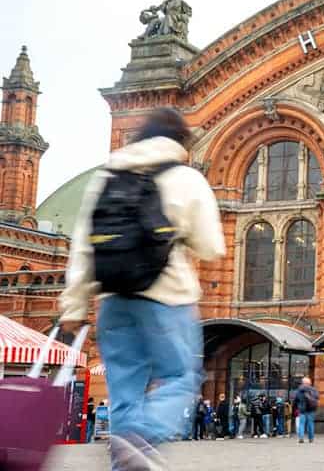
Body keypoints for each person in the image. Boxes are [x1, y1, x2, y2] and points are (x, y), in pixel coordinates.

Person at [58, 107, 225, 469]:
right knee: (181, 377)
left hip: (113, 300)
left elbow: (83, 247)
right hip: (167, 297)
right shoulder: (185, 177)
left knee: (124, 394)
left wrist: (73, 307)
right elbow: (211, 246)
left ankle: (125, 459)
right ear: (180, 141)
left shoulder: (107, 175)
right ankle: (142, 438)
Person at [294, 377, 319, 444]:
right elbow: (317, 397)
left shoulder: (299, 390)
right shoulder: (314, 390)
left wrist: (296, 407)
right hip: (311, 409)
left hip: (302, 410)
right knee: (310, 424)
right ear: (310, 383)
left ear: (302, 383)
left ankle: (301, 438)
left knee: (301, 424)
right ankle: (311, 438)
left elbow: (295, 400)